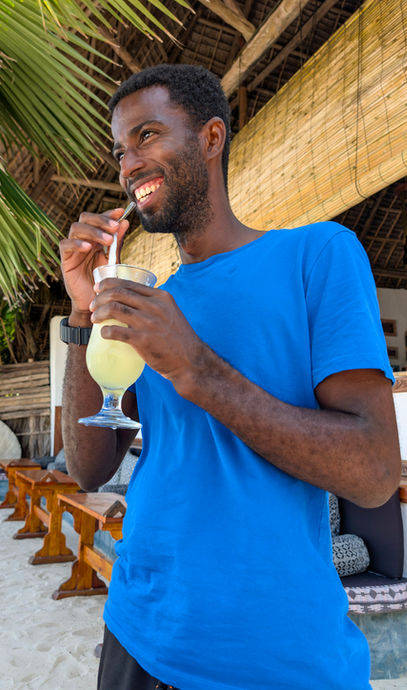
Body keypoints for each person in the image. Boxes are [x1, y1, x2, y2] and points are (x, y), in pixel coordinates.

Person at [59, 64, 401, 690]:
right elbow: (88, 466)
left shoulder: (318, 255)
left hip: (273, 659)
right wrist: (82, 310)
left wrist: (198, 370)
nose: (128, 163)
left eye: (148, 136)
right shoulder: (148, 299)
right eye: (119, 151)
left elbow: (376, 473)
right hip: (136, 631)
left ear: (212, 138)